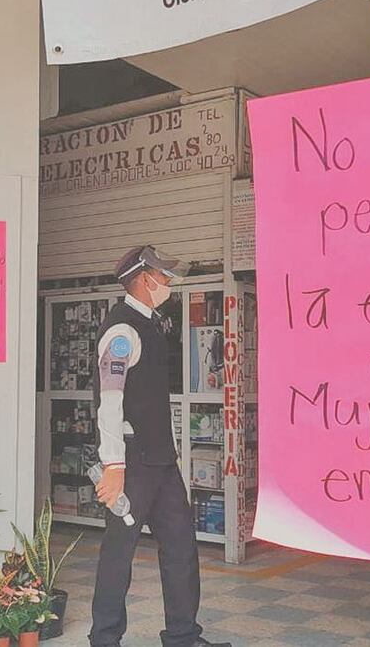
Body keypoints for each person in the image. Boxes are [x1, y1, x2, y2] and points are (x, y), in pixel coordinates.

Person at [89, 245, 231, 647]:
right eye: (162, 276)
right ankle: (104, 639)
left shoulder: (151, 324)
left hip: (161, 461)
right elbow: (109, 401)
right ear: (142, 278)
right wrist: (113, 465)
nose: (167, 282)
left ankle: (183, 636)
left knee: (181, 547)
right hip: (131, 462)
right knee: (119, 554)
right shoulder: (122, 332)